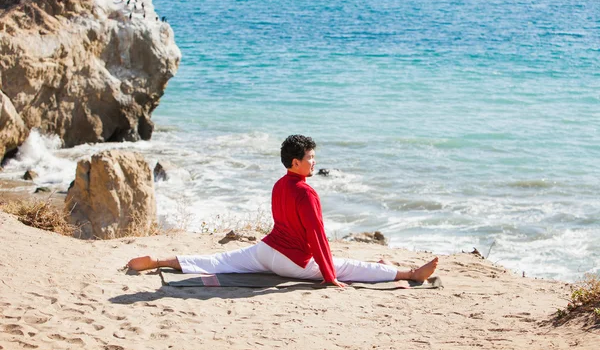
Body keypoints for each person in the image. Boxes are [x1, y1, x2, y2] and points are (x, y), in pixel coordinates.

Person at [128, 135, 438, 288]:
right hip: (292, 262)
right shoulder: (306, 192)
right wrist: (330, 277)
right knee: (349, 266)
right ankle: (410, 273)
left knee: (219, 261)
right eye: (311, 158)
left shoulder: (280, 184)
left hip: (267, 251)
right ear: (295, 163)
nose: (314, 162)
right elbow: (317, 238)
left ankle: (159, 260)